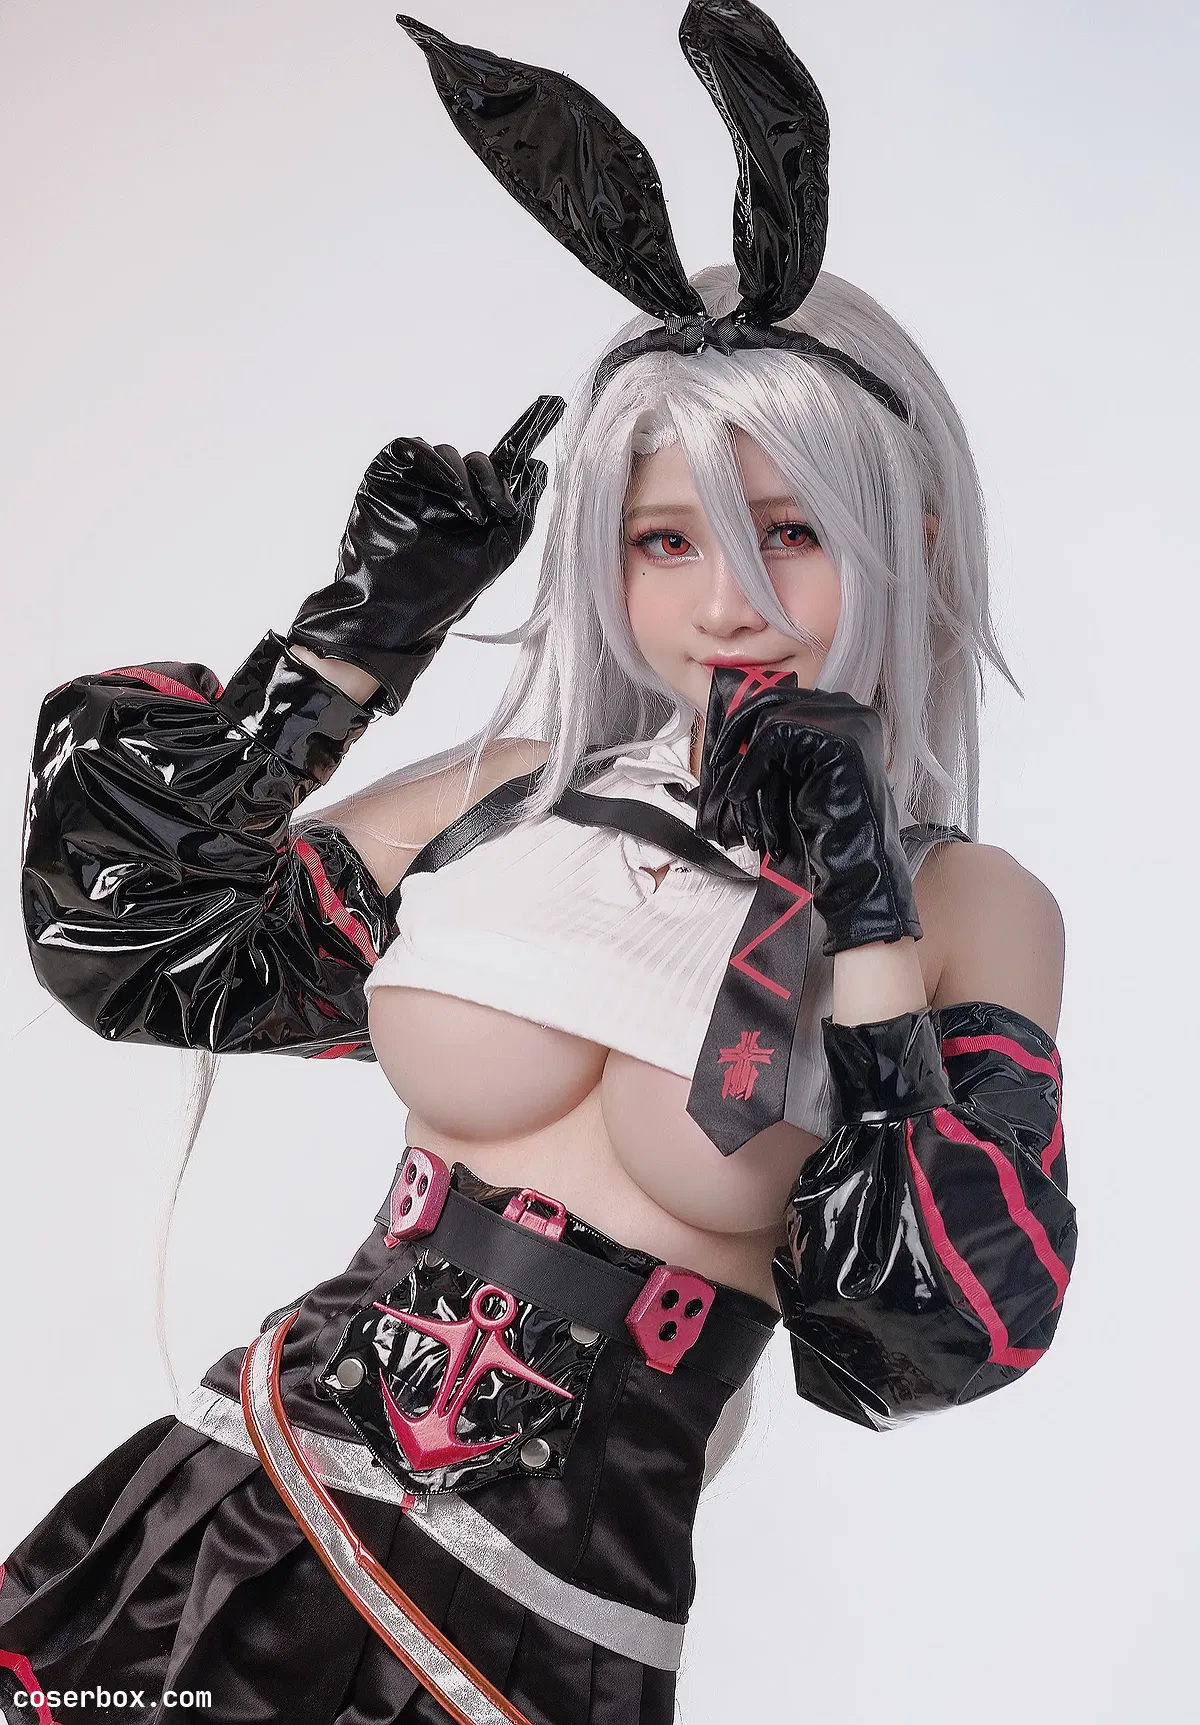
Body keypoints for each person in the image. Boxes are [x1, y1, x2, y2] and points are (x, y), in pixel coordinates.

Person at [1, 6, 1076, 1724]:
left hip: (531, 1630)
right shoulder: (519, 797)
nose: (726, 603)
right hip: (223, 1517)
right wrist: (353, 641)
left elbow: (937, 1324)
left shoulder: (965, 904)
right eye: (665, 541)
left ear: (907, 536)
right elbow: (151, 948)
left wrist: (857, 884)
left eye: (789, 533)